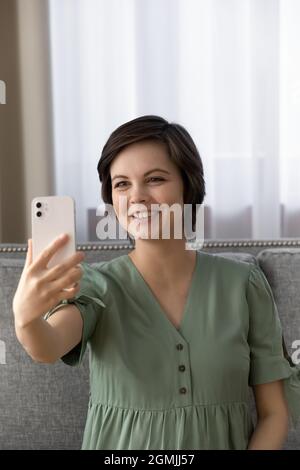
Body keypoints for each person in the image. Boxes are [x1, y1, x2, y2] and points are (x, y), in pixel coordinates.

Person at [13, 115, 300, 450]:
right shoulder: (95, 284)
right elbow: (47, 346)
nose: (137, 197)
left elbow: (274, 414)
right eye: (121, 184)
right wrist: (27, 318)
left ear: (187, 185)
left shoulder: (243, 284)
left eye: (155, 179)